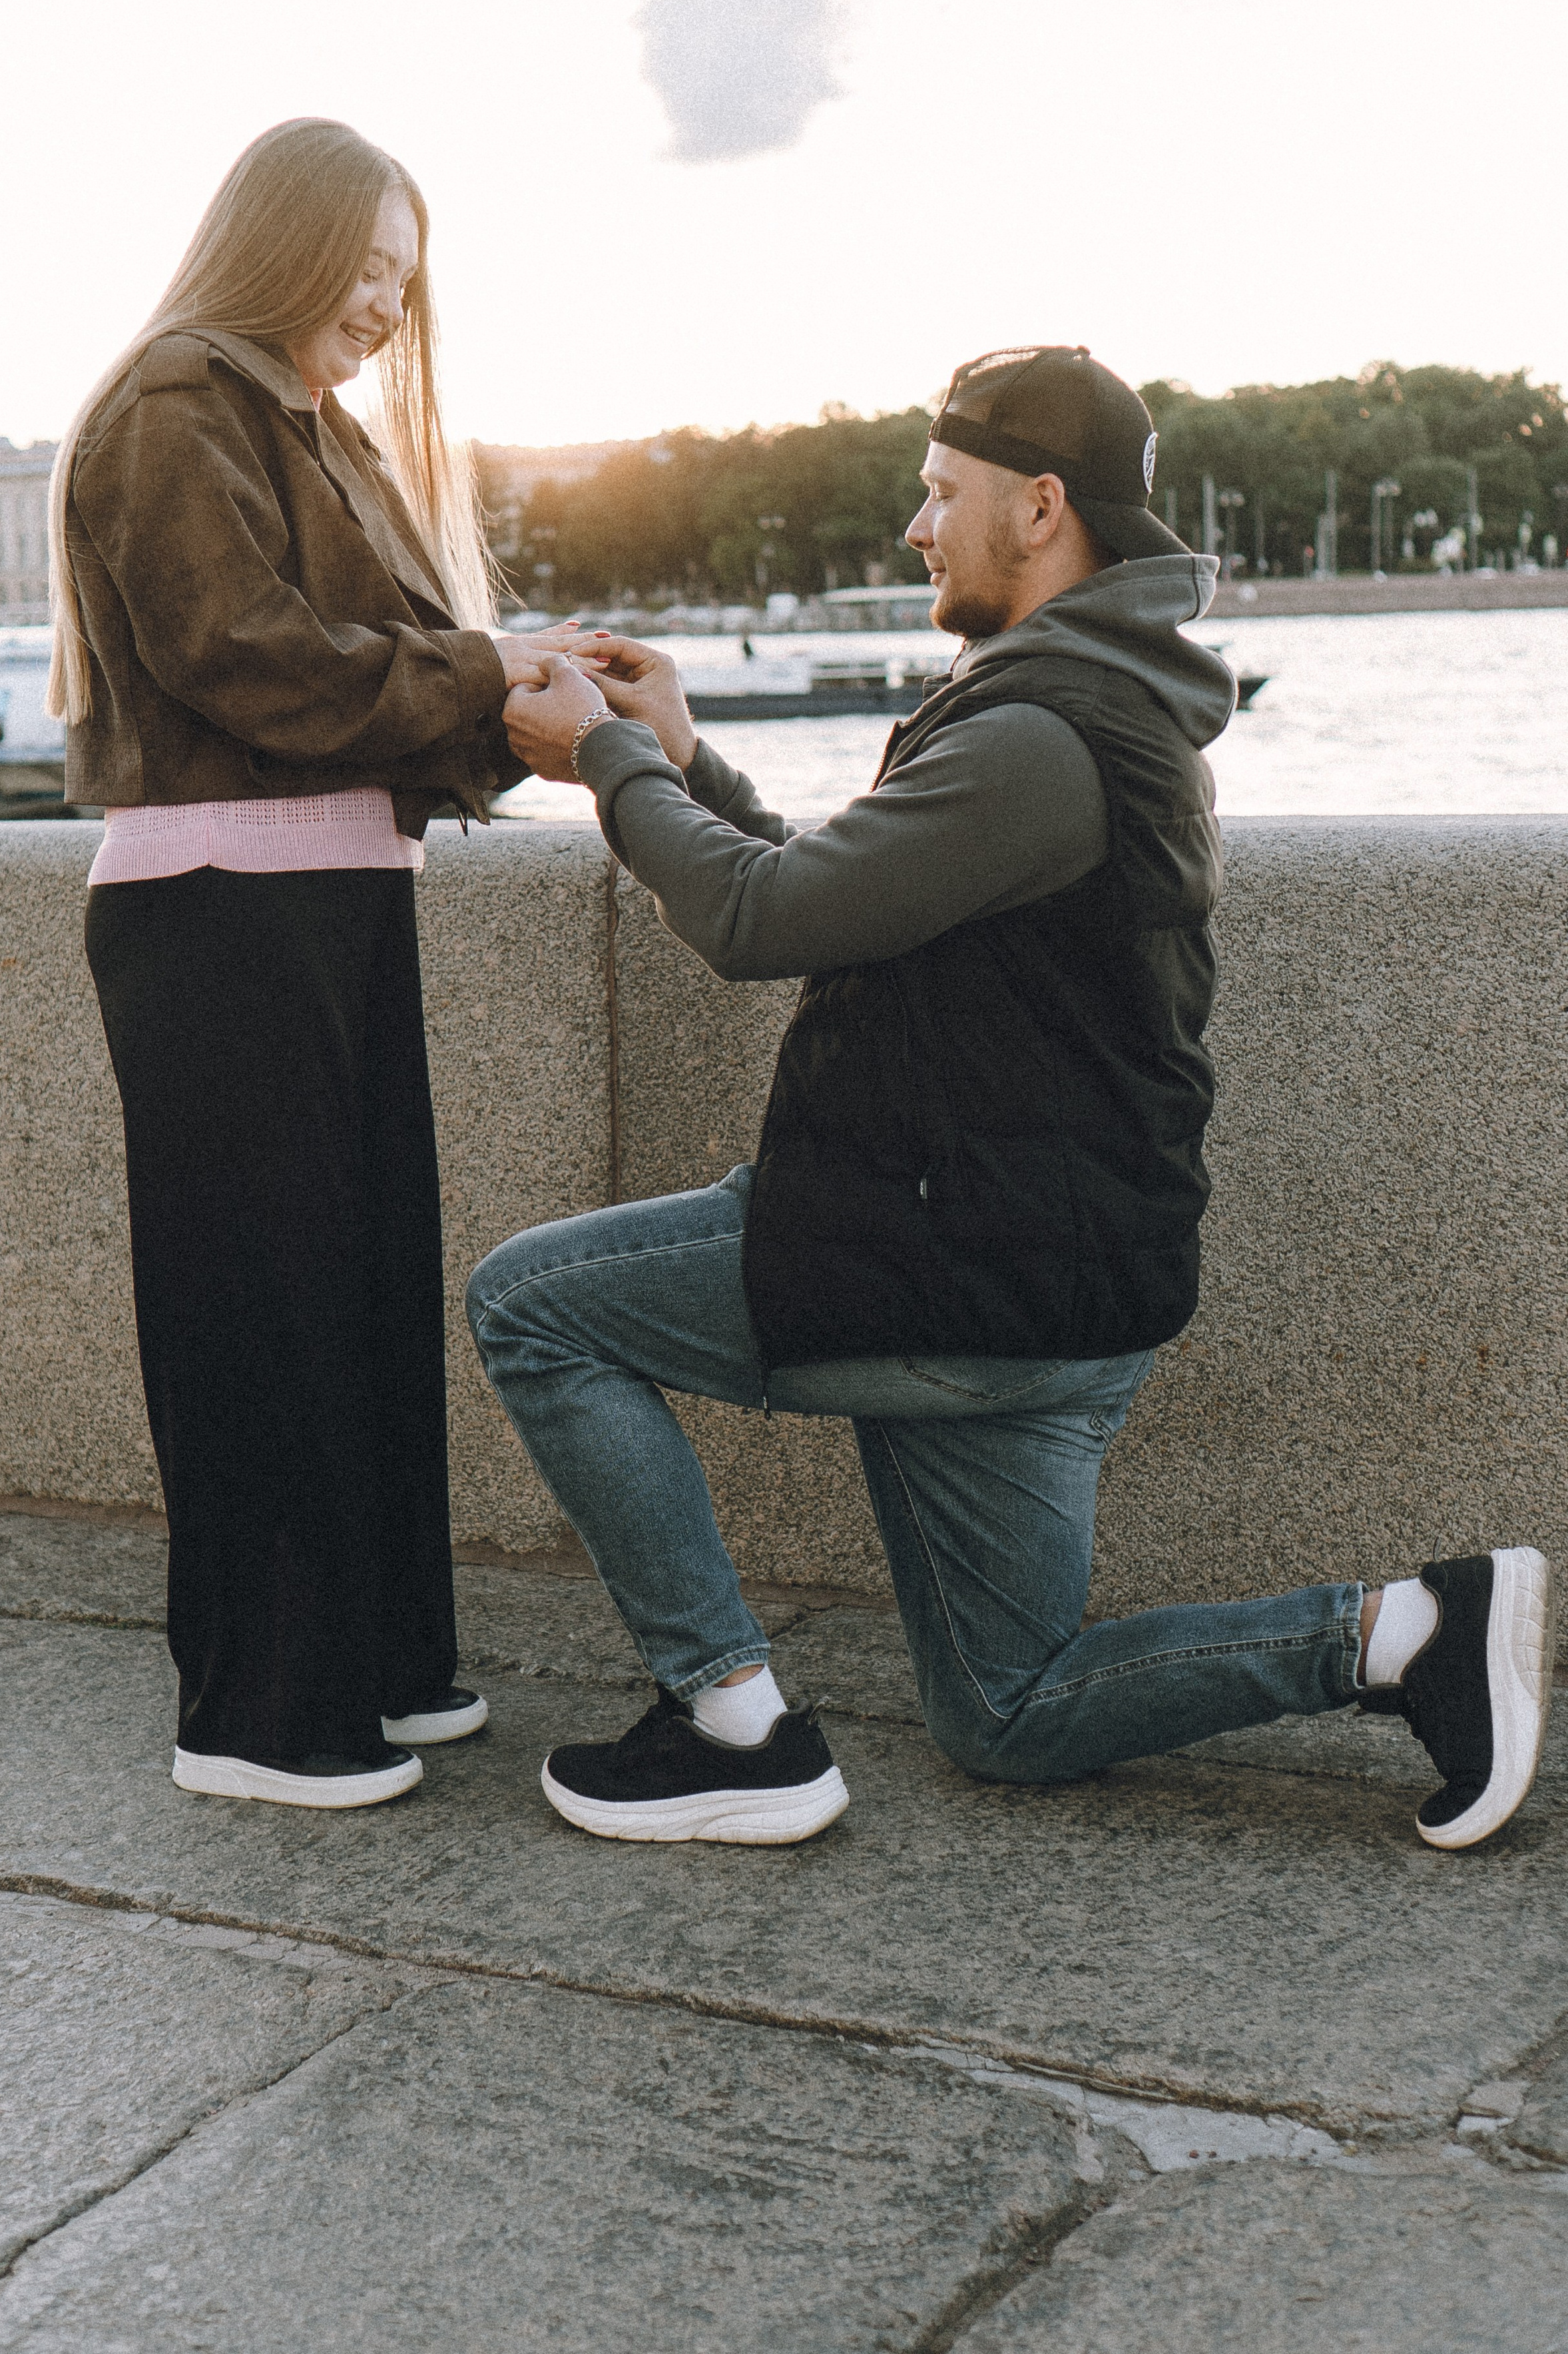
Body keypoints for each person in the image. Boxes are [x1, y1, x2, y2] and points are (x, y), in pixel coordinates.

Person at [473, 344, 1555, 1853]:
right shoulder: (1089, 704)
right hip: (1055, 1272)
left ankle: (726, 1725)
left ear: (1037, 505)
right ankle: (1400, 1635)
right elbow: (830, 895)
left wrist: (597, 756)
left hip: (951, 1262)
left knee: (532, 1306)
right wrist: (679, 760)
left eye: (938, 493)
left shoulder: (1038, 734)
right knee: (1008, 1711)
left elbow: (756, 926)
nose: (914, 527)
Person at [55, 117, 575, 1810]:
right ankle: (255, 1718)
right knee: (258, 1315)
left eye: (403, 280)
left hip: (323, 902)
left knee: (350, 1303)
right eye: (364, 265)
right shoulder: (173, 404)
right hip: (219, 916)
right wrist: (490, 676)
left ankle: (366, 1666)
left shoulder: (290, 413)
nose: (384, 305)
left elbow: (380, 666)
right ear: (278, 240)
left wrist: (522, 678)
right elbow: (246, 658)